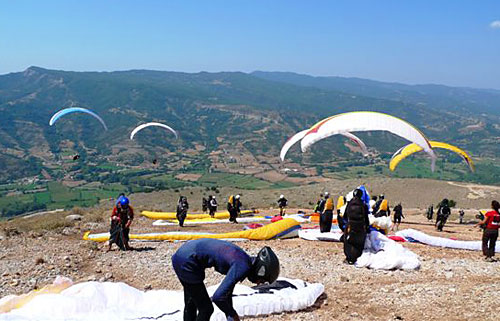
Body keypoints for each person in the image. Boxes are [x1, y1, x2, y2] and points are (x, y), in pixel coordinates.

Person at [172, 239, 280, 321]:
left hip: (184, 254)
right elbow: (218, 297)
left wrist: (230, 315)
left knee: (192, 302)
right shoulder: (243, 266)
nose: (258, 283)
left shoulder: (243, 259)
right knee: (206, 309)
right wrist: (232, 314)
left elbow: (227, 292)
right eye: (261, 280)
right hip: (188, 262)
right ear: (261, 270)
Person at [343, 189, 370, 264]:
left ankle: (349, 257)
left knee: (348, 241)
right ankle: (356, 257)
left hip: (350, 225)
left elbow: (345, 216)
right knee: (359, 242)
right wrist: (367, 227)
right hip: (360, 226)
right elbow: (366, 217)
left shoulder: (349, 204)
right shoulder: (363, 205)